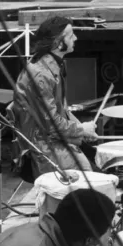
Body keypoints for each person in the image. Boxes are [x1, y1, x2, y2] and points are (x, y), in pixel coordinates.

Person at [12, 16, 98, 180]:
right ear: (59, 43)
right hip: (42, 146)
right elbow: (51, 125)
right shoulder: (41, 76)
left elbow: (61, 110)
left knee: (96, 158)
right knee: (87, 174)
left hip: (51, 137)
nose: (76, 38)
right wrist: (81, 130)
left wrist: (81, 128)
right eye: (71, 35)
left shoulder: (54, 65)